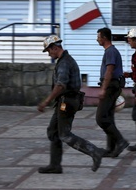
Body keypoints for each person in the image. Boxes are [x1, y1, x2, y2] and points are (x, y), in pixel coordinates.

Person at [37, 35, 104, 173]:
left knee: (65, 134)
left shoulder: (64, 63)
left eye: (49, 51)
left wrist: (46, 101)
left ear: (55, 48)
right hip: (65, 101)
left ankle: (94, 151)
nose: (49, 54)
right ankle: (55, 165)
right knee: (53, 131)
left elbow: (60, 85)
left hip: (66, 102)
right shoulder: (64, 61)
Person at [96, 27, 129, 158]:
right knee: (109, 118)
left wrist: (103, 89)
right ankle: (111, 148)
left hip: (110, 87)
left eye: (98, 37)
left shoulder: (110, 52)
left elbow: (109, 71)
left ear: (104, 38)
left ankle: (121, 141)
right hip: (112, 86)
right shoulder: (111, 51)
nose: (97, 39)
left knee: (101, 118)